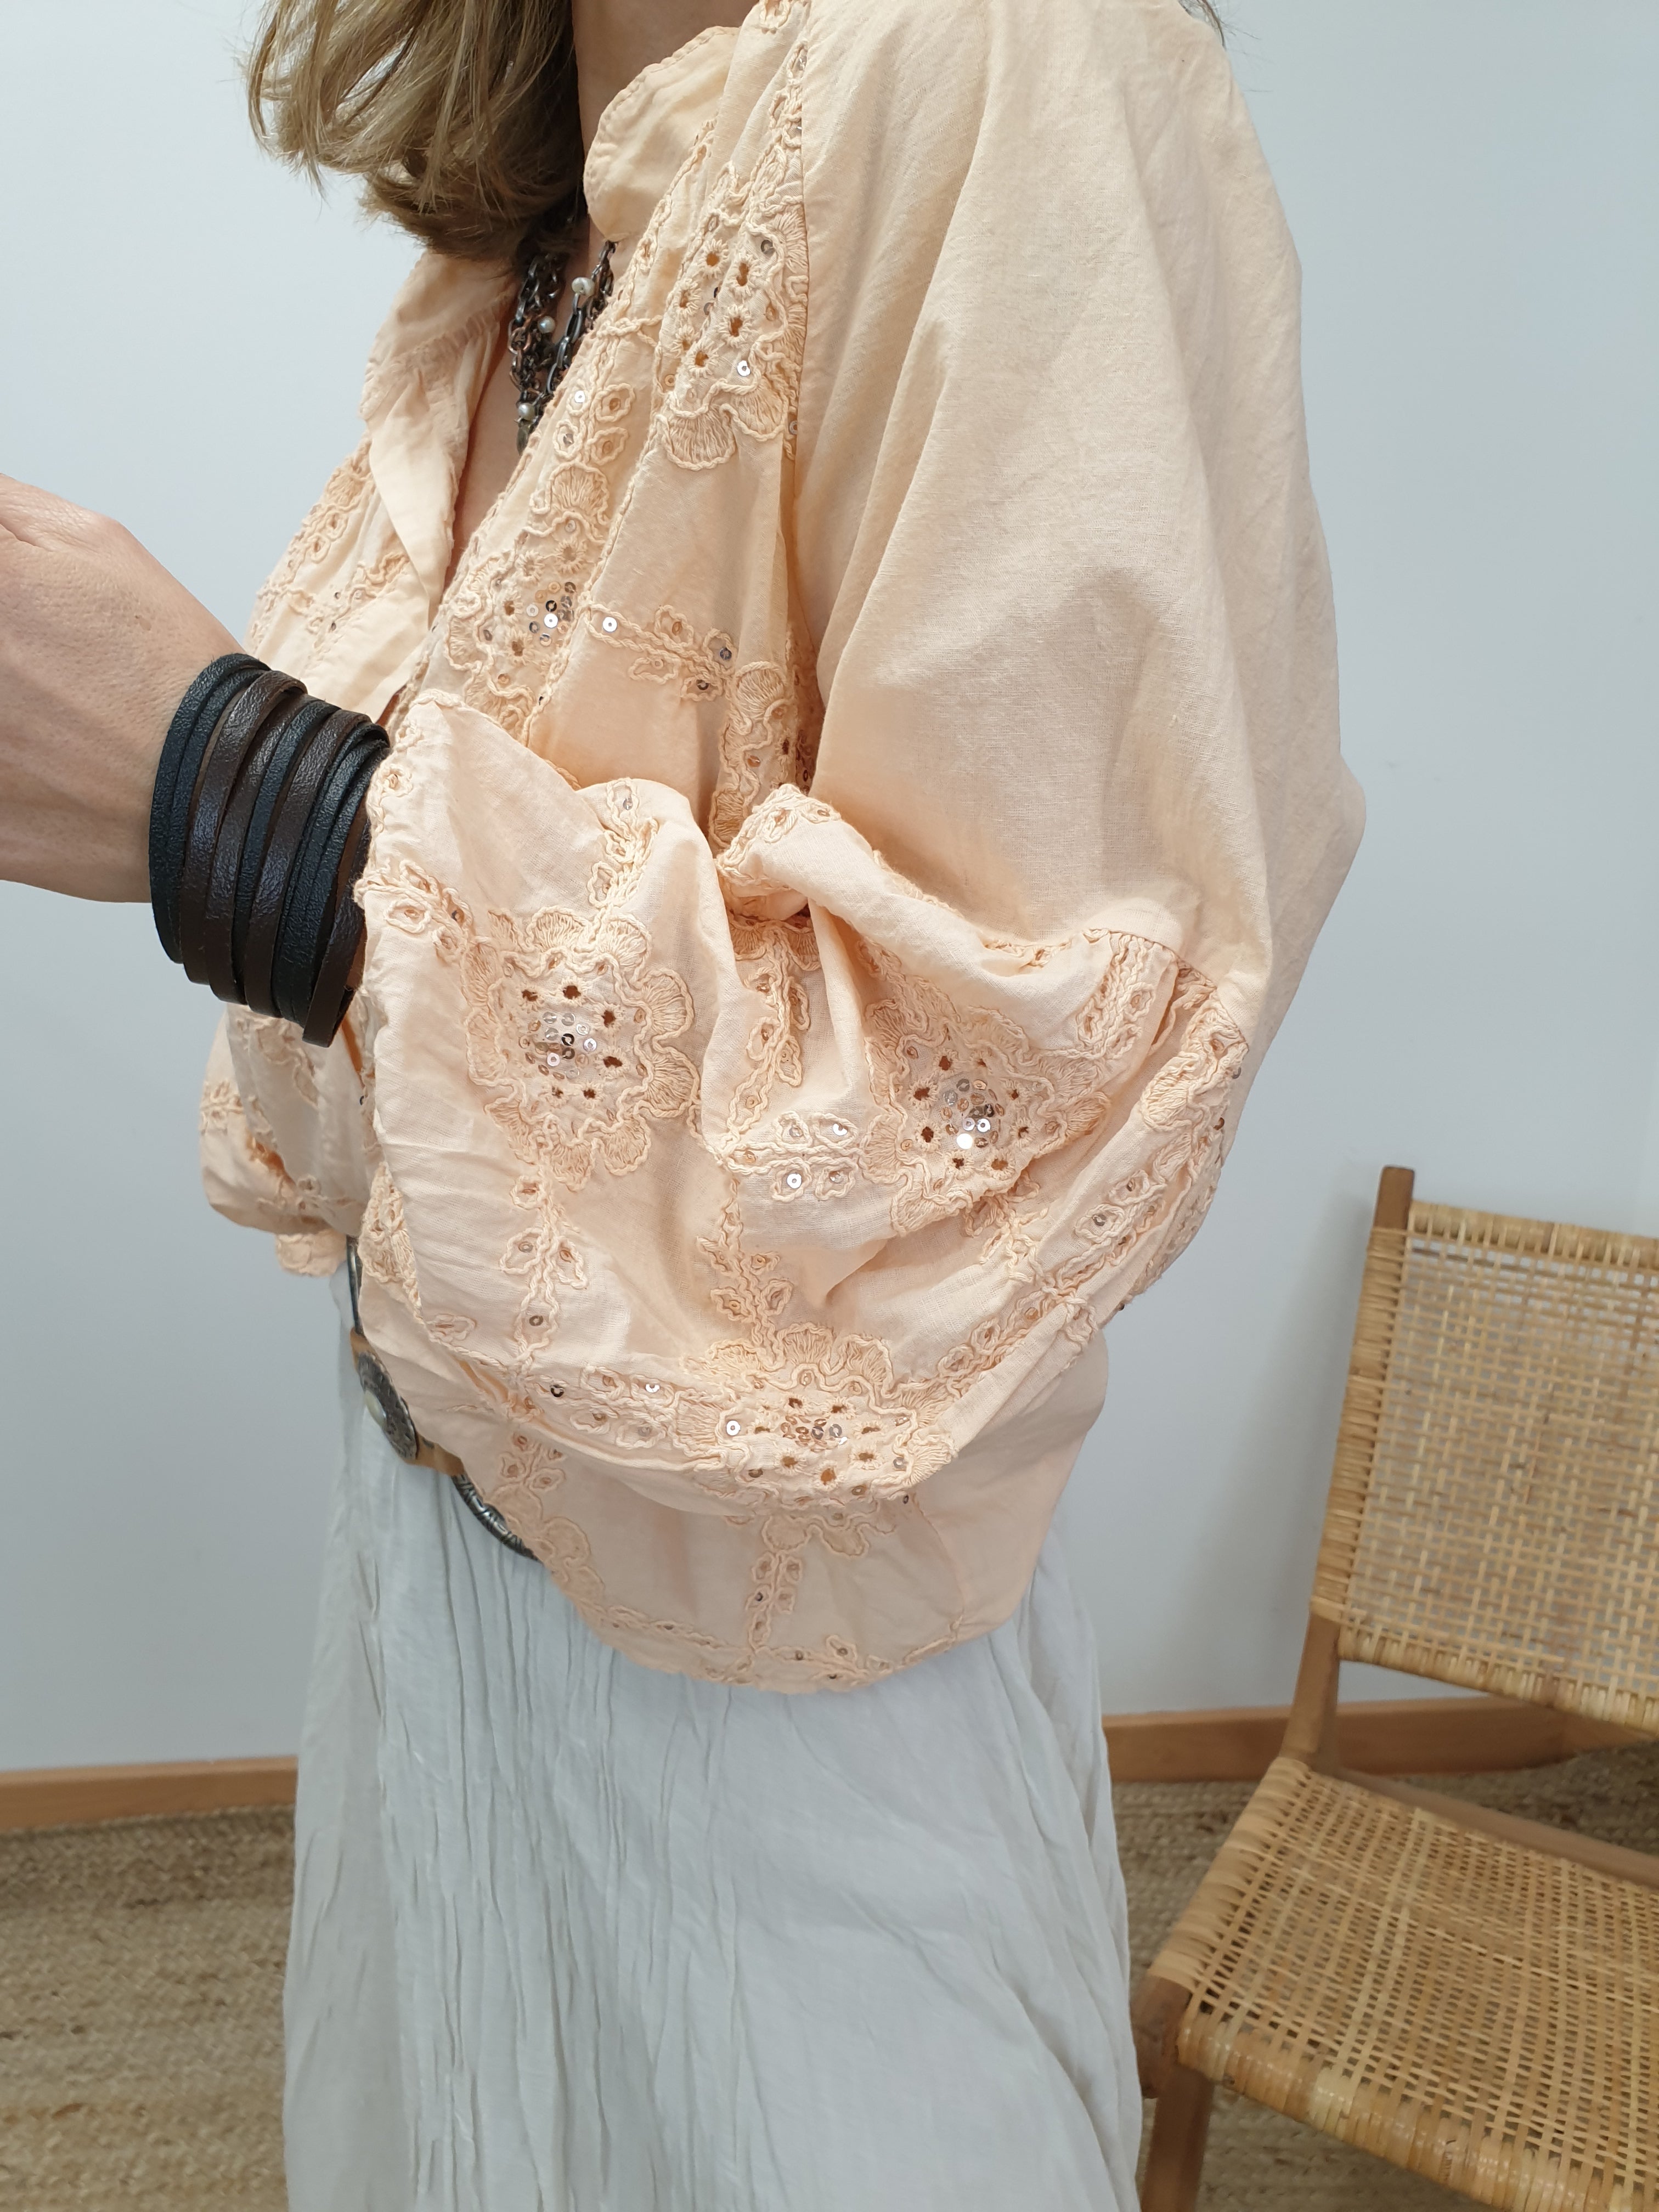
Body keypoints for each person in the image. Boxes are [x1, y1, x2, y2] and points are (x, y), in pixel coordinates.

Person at [0, 0, 1363, 2202]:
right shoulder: (534, 203)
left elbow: (1000, 1117)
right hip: (420, 1597)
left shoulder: (1017, 63)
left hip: (777, 1732)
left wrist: (235, 798)